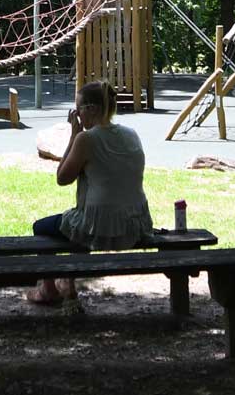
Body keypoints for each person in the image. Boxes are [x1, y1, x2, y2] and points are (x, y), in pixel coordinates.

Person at [30, 80, 153, 306]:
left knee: (44, 227)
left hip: (102, 224)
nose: (76, 115)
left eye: (78, 110)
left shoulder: (87, 138)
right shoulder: (131, 133)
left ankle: (48, 289)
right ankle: (68, 281)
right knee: (79, 224)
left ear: (92, 109)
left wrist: (73, 135)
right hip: (135, 222)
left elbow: (62, 178)